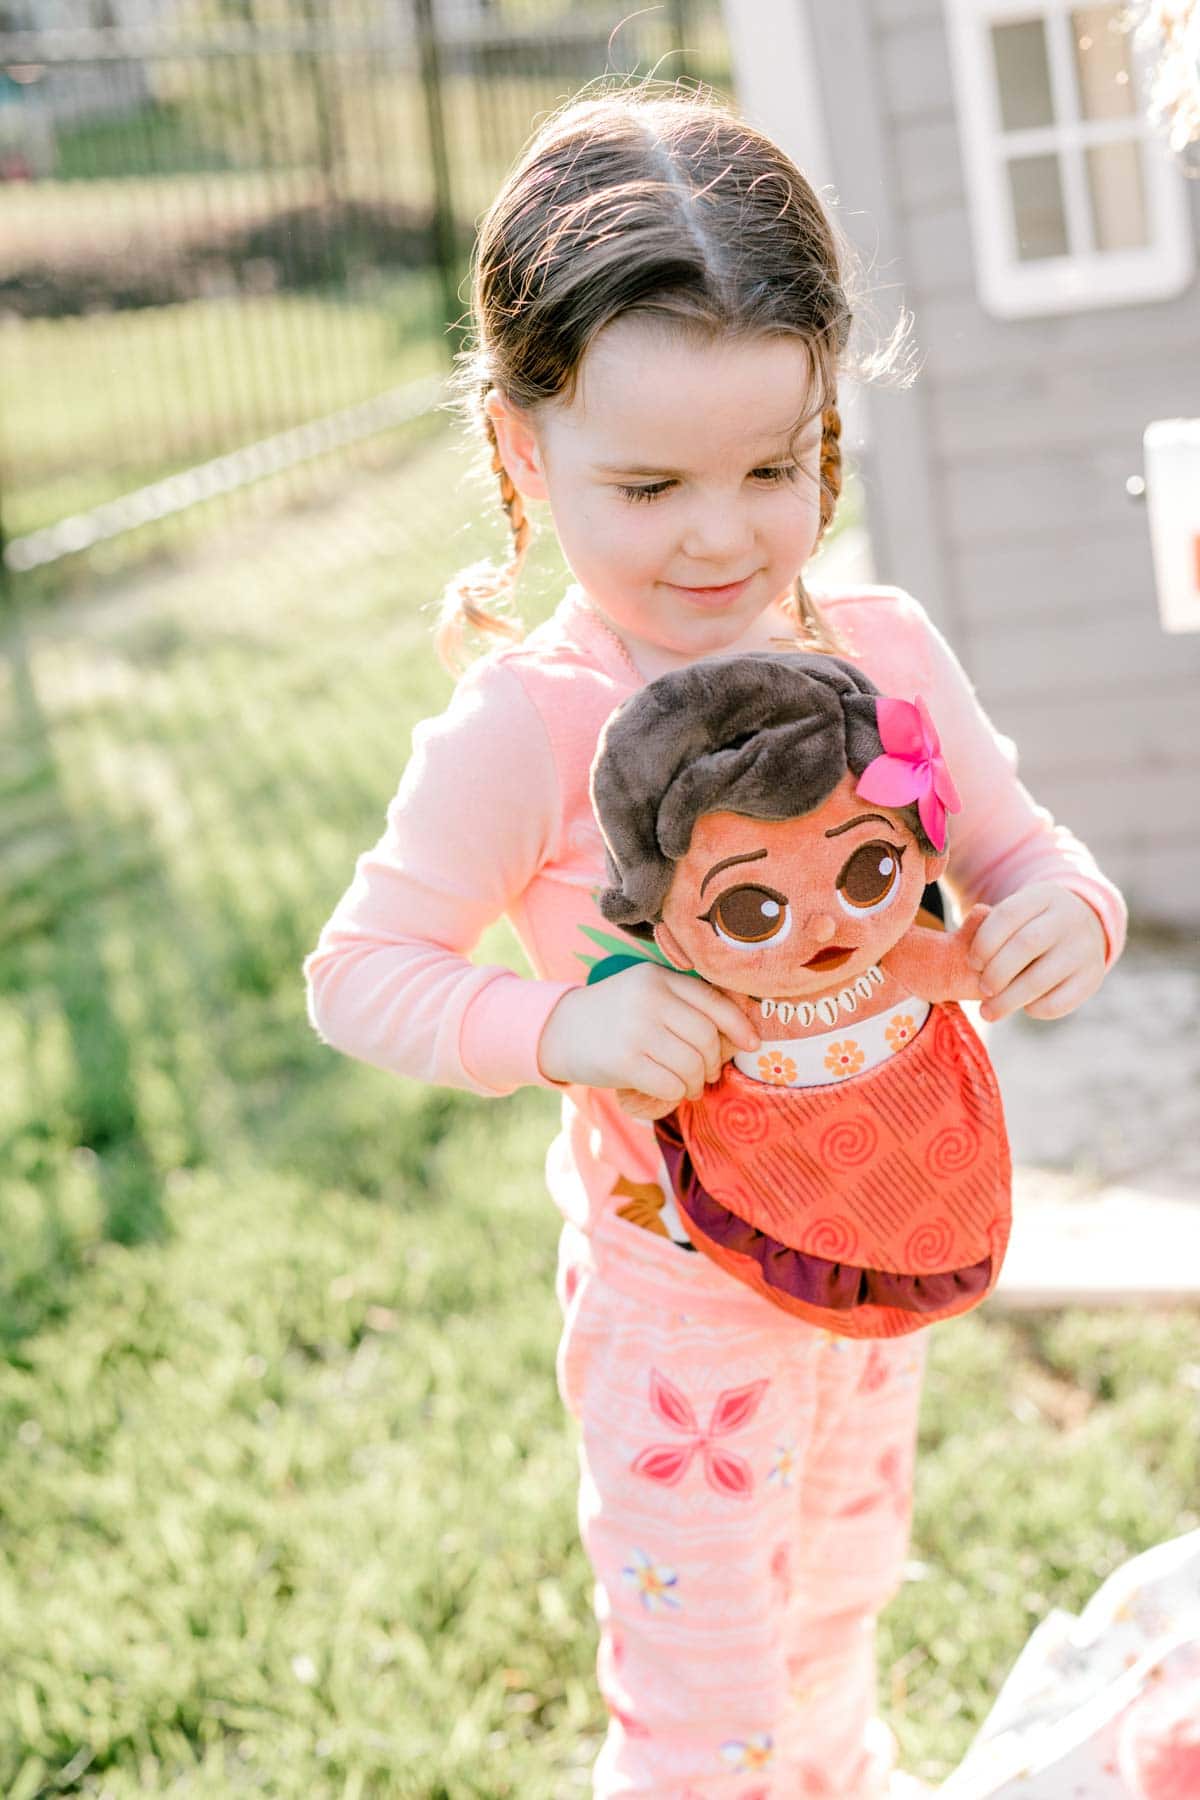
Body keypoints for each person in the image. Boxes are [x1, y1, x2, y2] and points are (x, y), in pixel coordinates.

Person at [304, 84, 1127, 1800]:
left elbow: (1022, 849)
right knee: (701, 1701)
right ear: (524, 451)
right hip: (679, 1314)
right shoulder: (525, 729)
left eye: (777, 466)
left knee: (834, 1613)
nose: (721, 532)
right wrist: (564, 1032)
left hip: (873, 1265)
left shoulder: (882, 652)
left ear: (831, 417)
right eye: (650, 480)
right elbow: (359, 973)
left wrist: (1064, 912)